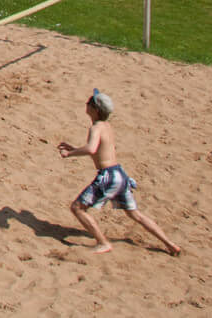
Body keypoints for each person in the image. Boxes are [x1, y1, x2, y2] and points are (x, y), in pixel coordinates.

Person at [57, 89, 181, 255]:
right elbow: (98, 151)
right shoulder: (106, 126)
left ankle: (103, 243)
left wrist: (69, 154)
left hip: (107, 177)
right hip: (120, 174)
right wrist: (73, 148)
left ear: (95, 110)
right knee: (136, 215)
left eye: (89, 102)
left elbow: (91, 149)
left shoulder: (96, 128)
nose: (86, 104)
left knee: (77, 208)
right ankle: (170, 244)